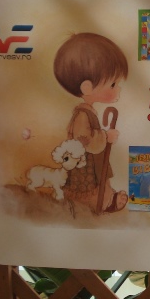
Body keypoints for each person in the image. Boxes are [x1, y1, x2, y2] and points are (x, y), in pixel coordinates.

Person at [53, 32, 129, 214]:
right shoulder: (82, 114)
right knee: (91, 185)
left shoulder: (88, 111)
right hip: (85, 164)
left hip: (93, 160)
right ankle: (99, 204)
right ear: (87, 87)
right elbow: (84, 139)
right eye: (113, 84)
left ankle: (106, 199)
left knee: (101, 178)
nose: (118, 89)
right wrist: (105, 136)